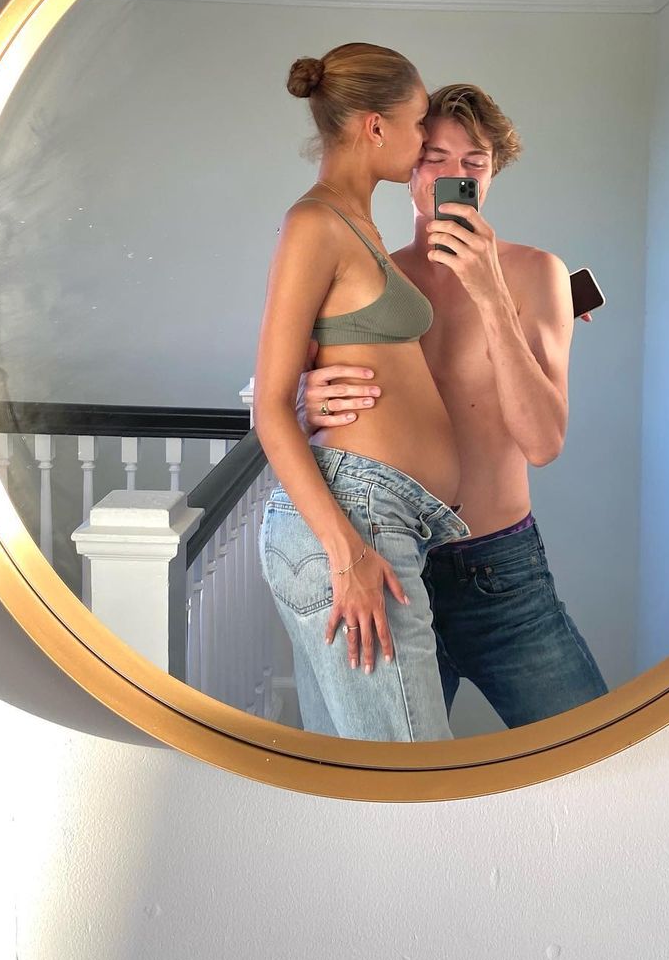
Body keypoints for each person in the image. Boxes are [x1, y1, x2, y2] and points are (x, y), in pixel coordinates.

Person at [300, 83, 608, 730]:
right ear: (408, 166)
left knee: (592, 749)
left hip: (502, 574)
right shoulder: (370, 276)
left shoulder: (538, 273)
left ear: (493, 172)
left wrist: (490, 294)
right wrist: (310, 401)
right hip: (393, 564)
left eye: (474, 162)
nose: (452, 176)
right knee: (394, 772)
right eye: (435, 158)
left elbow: (543, 443)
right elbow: (299, 408)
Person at [254, 43, 470, 743]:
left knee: (363, 782)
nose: (425, 138)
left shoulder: (357, 222)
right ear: (376, 126)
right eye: (418, 122)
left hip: (381, 515)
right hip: (355, 521)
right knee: (415, 781)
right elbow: (269, 405)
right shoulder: (314, 223)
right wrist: (347, 554)